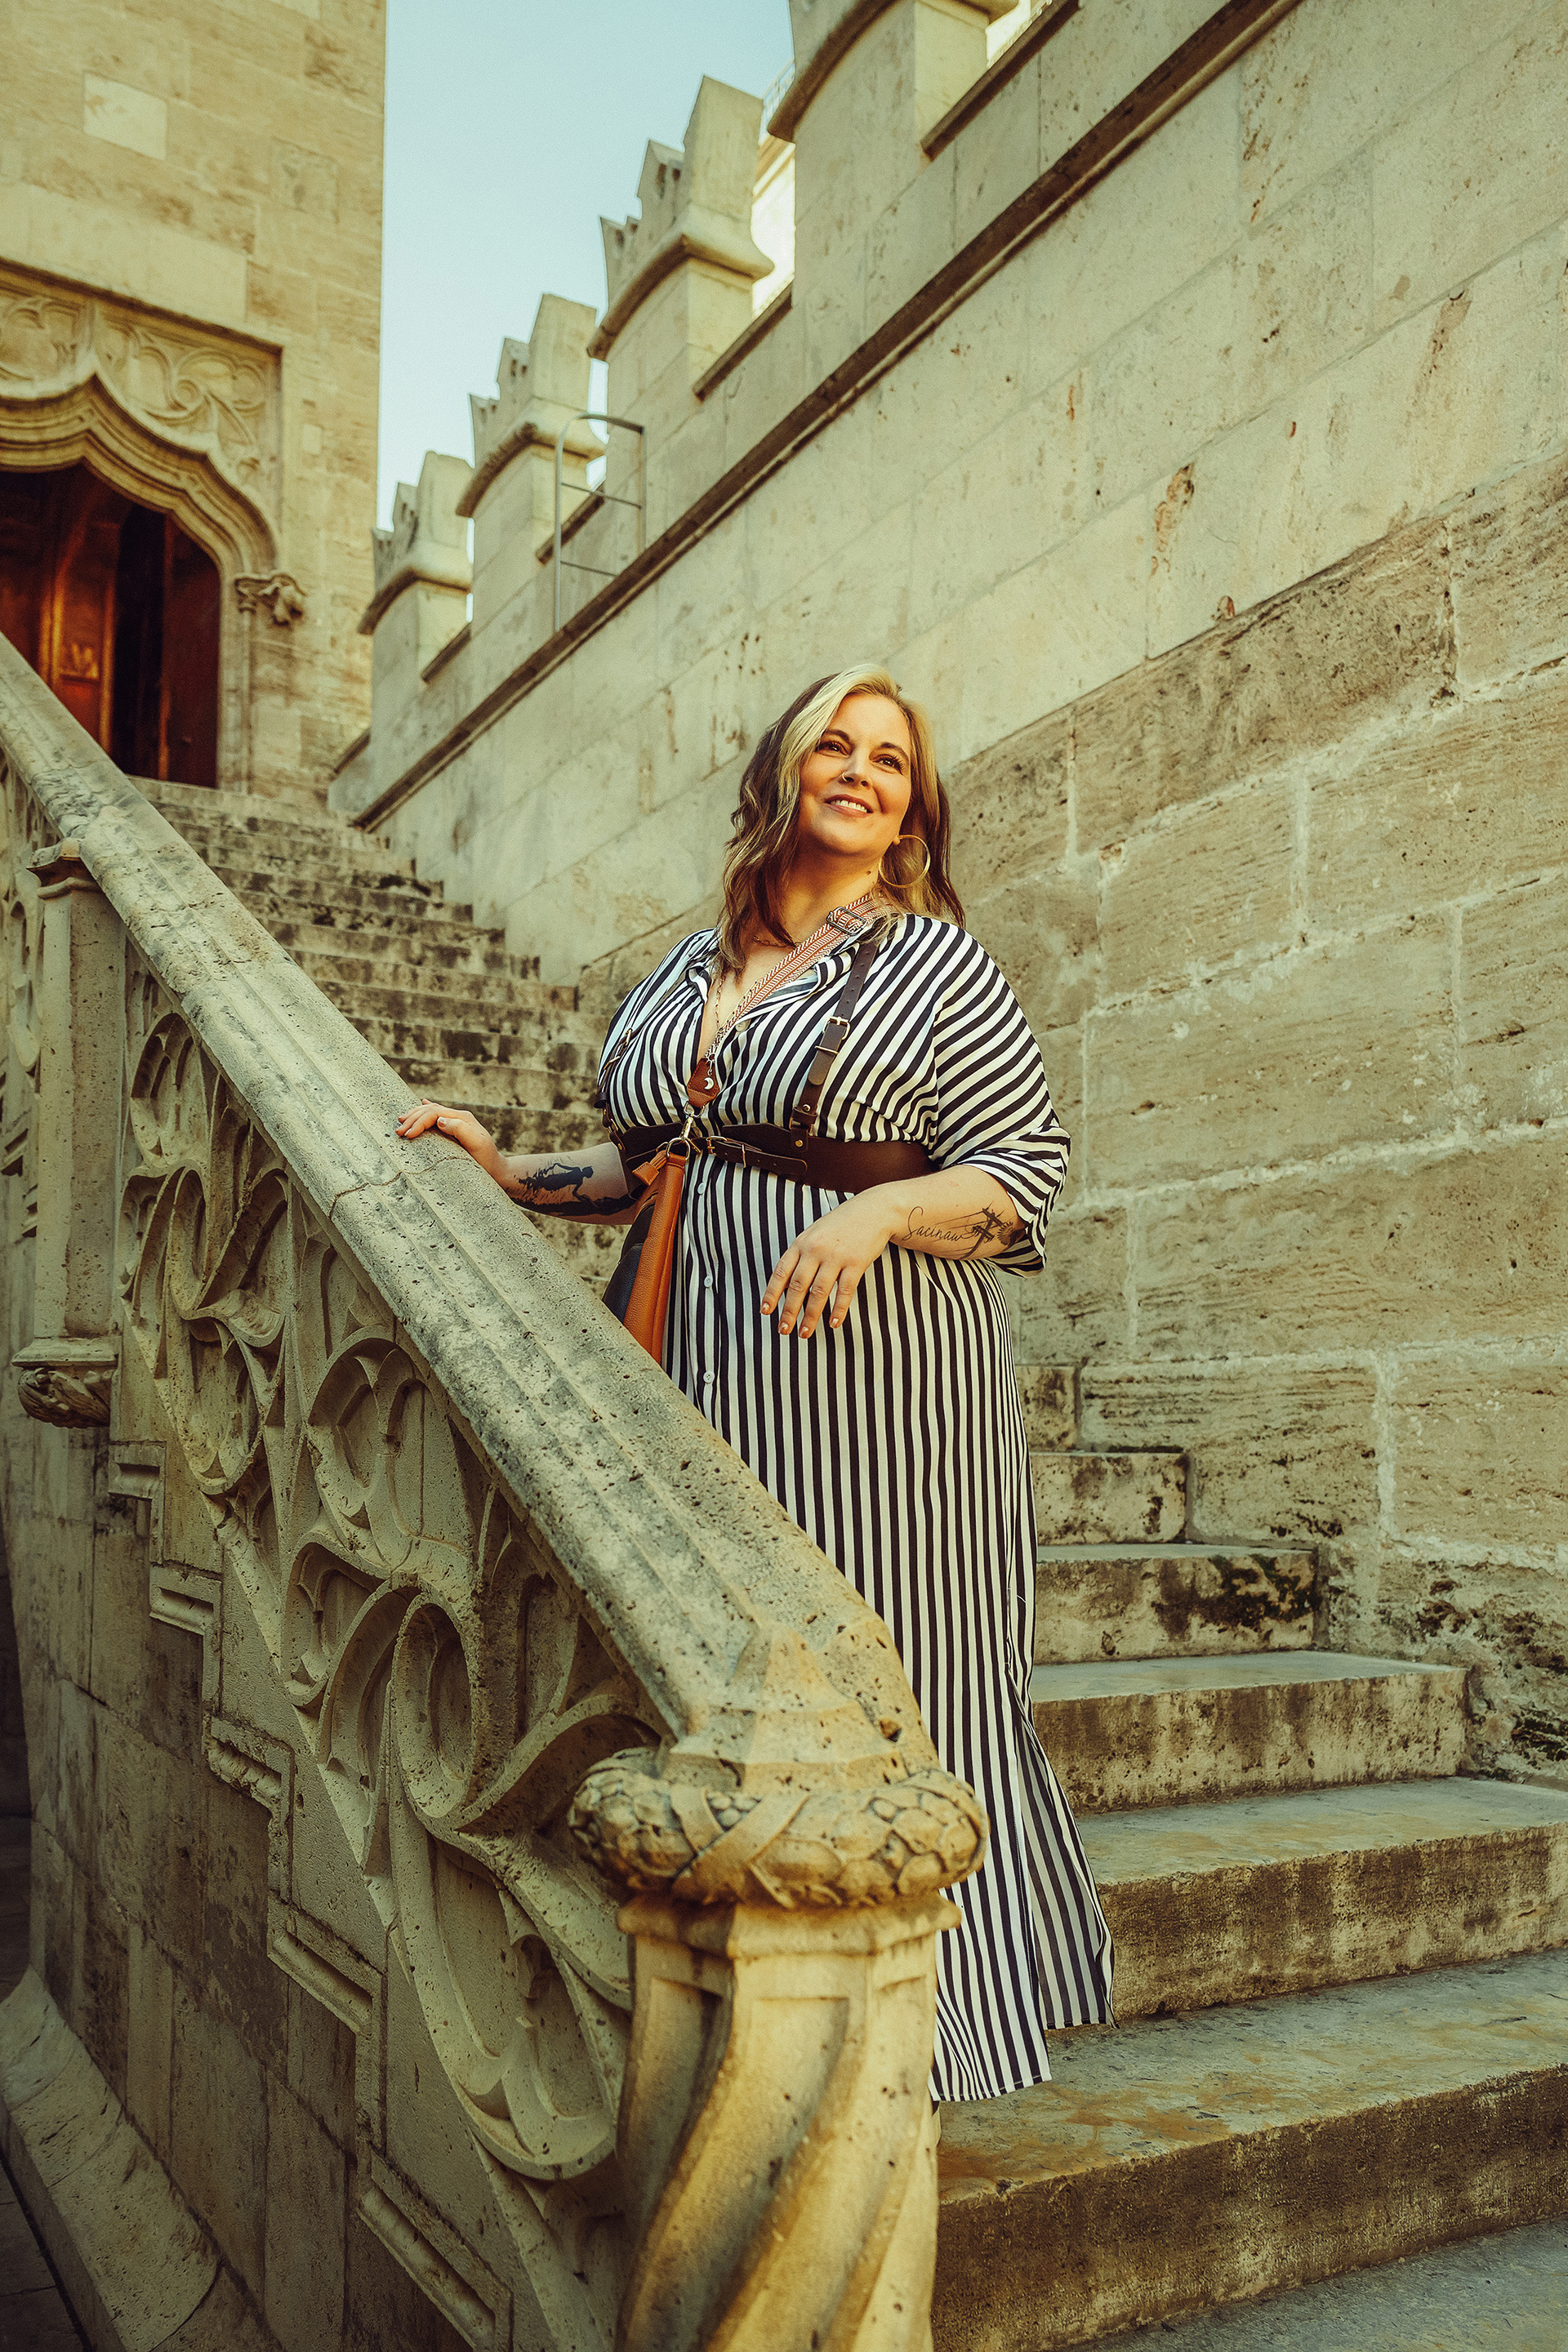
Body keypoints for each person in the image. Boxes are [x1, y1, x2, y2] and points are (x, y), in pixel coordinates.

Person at [396, 665, 1113, 2102]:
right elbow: (648, 1163)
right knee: (728, 1676)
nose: (860, 772)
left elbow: (1022, 1179)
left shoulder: (937, 966)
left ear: (913, 811)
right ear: (780, 772)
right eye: (834, 746)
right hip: (699, 1363)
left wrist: (879, 1211)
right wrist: (507, 1168)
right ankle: (748, 2000)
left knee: (898, 1674)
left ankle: (932, 2028)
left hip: (883, 1382)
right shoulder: (686, 969)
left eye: (890, 761)